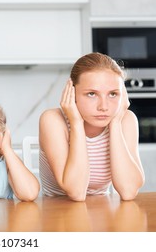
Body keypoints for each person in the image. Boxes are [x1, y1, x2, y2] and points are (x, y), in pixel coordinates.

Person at [39, 52, 145, 201]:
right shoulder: (52, 120)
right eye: (91, 94)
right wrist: (76, 123)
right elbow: (76, 193)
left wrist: (115, 123)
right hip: (59, 213)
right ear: (72, 92)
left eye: (113, 94)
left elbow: (128, 192)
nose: (104, 106)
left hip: (103, 210)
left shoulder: (125, 120)